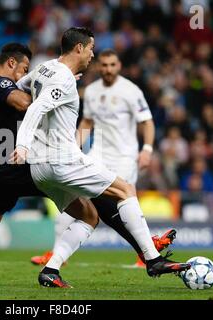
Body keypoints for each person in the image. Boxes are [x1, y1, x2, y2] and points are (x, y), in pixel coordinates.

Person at [0, 41, 184, 289]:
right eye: (24, 69)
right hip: (21, 164)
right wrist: (54, 87)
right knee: (100, 199)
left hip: (3, 169)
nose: (24, 74)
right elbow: (27, 104)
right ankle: (147, 247)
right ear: (12, 63)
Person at [11, 27, 190, 287]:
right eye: (91, 49)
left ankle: (51, 270)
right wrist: (22, 143)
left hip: (39, 168)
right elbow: (38, 107)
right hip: (61, 159)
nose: (93, 55)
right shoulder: (63, 78)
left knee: (89, 216)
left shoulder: (45, 68)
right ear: (79, 48)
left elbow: (20, 88)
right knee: (126, 190)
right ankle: (152, 259)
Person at [30, 48, 170, 268]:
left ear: (119, 66)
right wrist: (72, 147)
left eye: (112, 65)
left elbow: (147, 122)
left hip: (124, 157)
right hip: (98, 154)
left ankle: (145, 251)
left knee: (121, 201)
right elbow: (87, 123)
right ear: (98, 66)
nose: (108, 69)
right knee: (76, 205)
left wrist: (148, 149)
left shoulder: (131, 91)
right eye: (104, 65)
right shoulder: (92, 91)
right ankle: (58, 255)